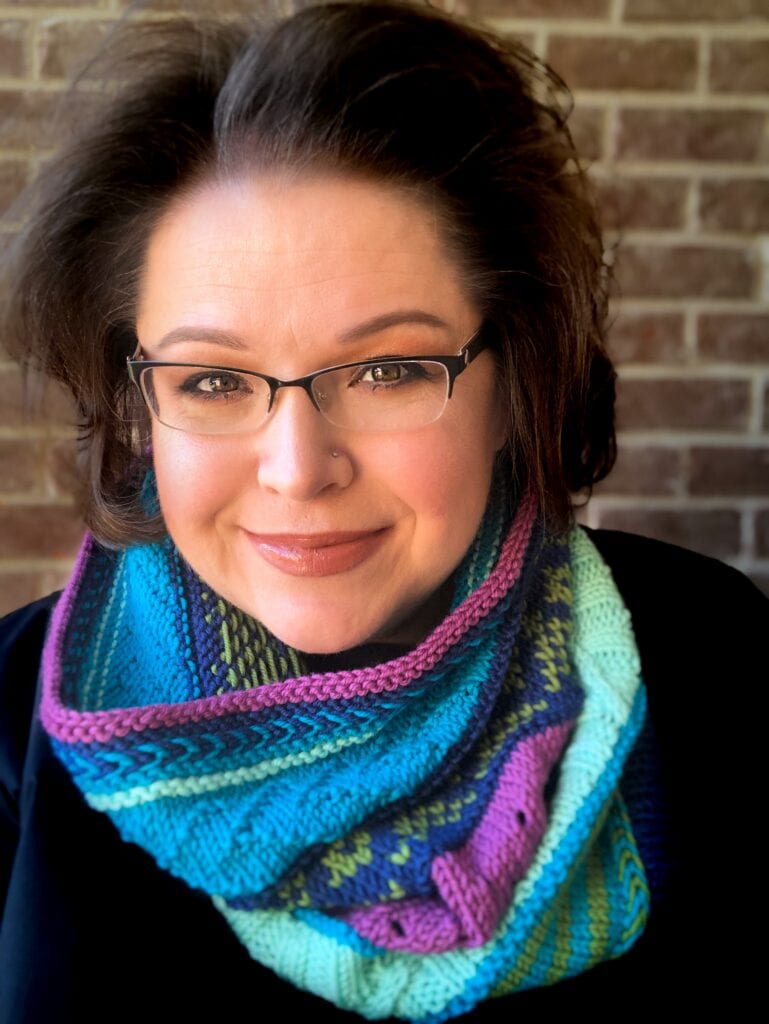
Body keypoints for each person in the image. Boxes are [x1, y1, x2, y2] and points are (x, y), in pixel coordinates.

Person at [0, 2, 764, 1020]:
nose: (297, 467)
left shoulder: (717, 662)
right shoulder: (13, 720)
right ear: (140, 409)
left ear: (514, 383)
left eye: (389, 369)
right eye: (212, 381)